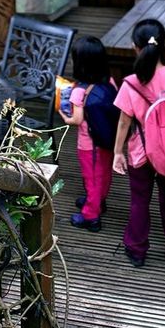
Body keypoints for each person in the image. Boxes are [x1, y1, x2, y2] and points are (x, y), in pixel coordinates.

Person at [111, 19, 165, 267]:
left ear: (136, 47)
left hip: (141, 152)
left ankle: (137, 248)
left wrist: (117, 153)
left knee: (139, 199)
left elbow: (124, 123)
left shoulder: (131, 84)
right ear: (163, 45)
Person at [58, 36, 117, 232]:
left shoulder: (78, 91)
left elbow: (76, 120)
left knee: (91, 178)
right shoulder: (110, 82)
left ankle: (91, 216)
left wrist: (62, 113)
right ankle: (99, 200)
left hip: (89, 145)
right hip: (108, 139)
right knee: (104, 173)